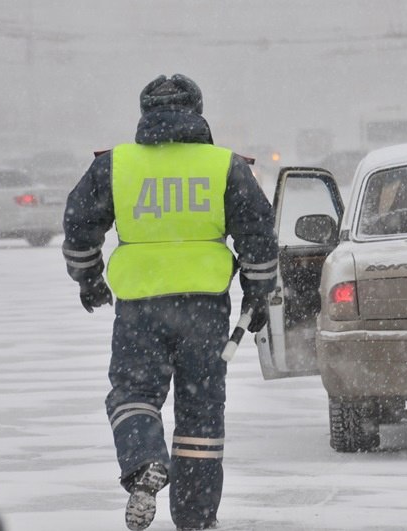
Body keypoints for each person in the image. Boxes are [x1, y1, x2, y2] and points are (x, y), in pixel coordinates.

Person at [62, 74, 278, 531]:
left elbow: (80, 223)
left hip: (140, 307)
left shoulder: (115, 165)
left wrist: (89, 279)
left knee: (134, 394)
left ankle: (143, 461)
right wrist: (258, 294)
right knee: (200, 414)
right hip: (205, 309)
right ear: (197, 112)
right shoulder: (225, 165)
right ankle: (197, 517)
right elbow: (258, 234)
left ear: (145, 114)